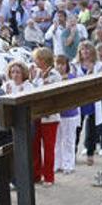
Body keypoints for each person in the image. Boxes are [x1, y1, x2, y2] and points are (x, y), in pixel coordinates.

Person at [29, 48, 60, 186]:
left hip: (50, 117)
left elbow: (50, 93)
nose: (35, 61)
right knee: (35, 147)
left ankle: (49, 177)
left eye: (37, 59)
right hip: (36, 116)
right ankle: (36, 175)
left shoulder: (55, 75)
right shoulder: (36, 74)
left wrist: (43, 81)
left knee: (48, 148)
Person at [53, 55, 79, 175]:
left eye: (62, 64)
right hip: (57, 114)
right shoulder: (53, 78)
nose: (60, 67)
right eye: (57, 64)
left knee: (68, 140)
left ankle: (69, 164)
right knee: (57, 140)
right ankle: (57, 163)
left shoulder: (72, 77)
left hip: (70, 113)